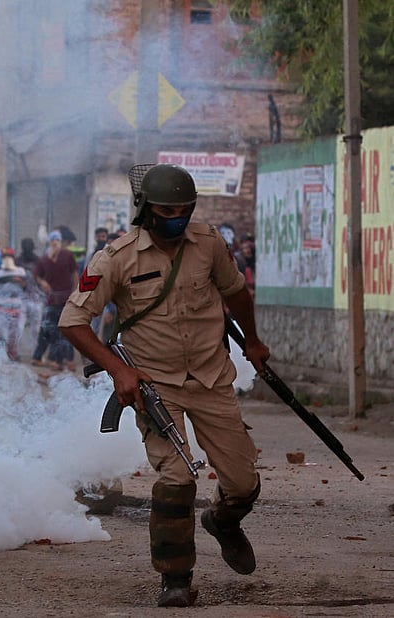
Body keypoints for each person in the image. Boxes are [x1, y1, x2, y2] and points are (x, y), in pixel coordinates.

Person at [59, 163, 270, 608]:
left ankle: (224, 521)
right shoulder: (116, 257)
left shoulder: (209, 242)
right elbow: (73, 320)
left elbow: (236, 292)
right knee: (176, 478)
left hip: (211, 377)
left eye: (184, 209)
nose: (176, 217)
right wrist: (119, 370)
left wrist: (252, 340)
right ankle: (175, 578)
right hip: (155, 385)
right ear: (146, 210)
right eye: (167, 210)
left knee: (243, 480)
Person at [31, 230, 78, 370]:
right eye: (52, 240)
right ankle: (41, 357)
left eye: (57, 240)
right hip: (51, 299)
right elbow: (36, 275)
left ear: (60, 241)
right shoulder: (44, 258)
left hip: (66, 298)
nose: (54, 243)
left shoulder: (67, 255)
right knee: (47, 329)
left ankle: (63, 360)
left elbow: (74, 273)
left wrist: (77, 291)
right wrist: (42, 282)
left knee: (66, 328)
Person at [0, 247, 27, 361]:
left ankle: (12, 353)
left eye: (9, 257)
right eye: (4, 257)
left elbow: (25, 286)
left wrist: (19, 281)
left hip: (15, 307)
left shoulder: (20, 271)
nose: (7, 259)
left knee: (14, 333)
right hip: (0, 306)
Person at [15, 237, 44, 348]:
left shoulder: (38, 261)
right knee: (19, 326)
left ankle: (35, 353)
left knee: (35, 329)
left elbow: (43, 278)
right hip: (22, 299)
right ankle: (14, 352)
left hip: (36, 299)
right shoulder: (17, 261)